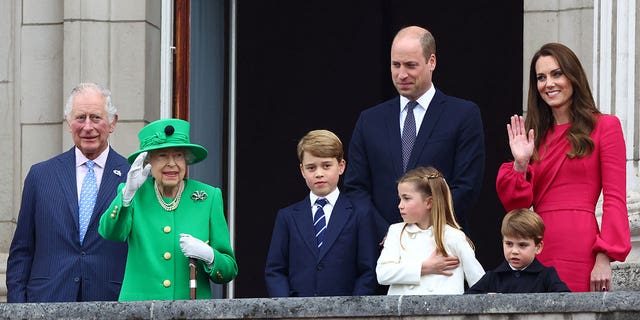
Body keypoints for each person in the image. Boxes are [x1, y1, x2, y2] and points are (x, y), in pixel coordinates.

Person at [496, 43, 631, 292]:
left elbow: (615, 198)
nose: (549, 83)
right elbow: (516, 207)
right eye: (541, 77)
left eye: (557, 74)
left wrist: (604, 256)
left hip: (582, 246)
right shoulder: (532, 137)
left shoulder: (605, 126)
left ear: (573, 76)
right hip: (538, 246)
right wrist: (520, 164)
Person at [344, 25, 485, 248]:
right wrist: (390, 234)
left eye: (411, 65)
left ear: (432, 62)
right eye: (395, 65)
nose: (402, 74)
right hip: (381, 250)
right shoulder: (369, 120)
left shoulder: (463, 115)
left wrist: (424, 231)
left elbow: (466, 186)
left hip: (440, 247)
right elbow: (356, 188)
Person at [6, 83, 129, 302]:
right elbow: (22, 250)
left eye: (96, 118)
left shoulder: (133, 178)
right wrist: (17, 308)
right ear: (68, 123)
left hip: (113, 303)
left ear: (112, 123)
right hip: (47, 301)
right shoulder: (40, 175)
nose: (88, 126)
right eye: (80, 118)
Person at [98, 118, 237, 301]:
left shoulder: (208, 197)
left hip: (191, 312)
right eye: (162, 155)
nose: (172, 163)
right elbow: (110, 233)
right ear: (148, 161)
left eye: (178, 155)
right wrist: (126, 195)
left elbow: (228, 270)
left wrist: (209, 255)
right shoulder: (134, 194)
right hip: (139, 311)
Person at [265, 129, 378, 297]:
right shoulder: (287, 216)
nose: (319, 173)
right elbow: (275, 270)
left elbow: (367, 271)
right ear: (302, 170)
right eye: (311, 168)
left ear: (341, 166)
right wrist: (286, 309)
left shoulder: (360, 214)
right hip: (297, 313)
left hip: (345, 312)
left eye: (326, 166)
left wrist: (354, 312)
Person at [376, 166, 484, 295]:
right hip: (403, 314)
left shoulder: (454, 237)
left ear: (429, 202)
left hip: (443, 314)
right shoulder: (396, 232)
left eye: (406, 198)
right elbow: (382, 274)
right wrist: (424, 268)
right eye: (400, 199)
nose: (400, 205)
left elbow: (478, 281)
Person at [466, 208, 570, 294]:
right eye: (509, 244)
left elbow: (567, 301)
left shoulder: (547, 276)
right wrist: (485, 300)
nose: (514, 251)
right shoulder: (492, 278)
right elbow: (464, 301)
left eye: (522, 245)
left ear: (538, 247)